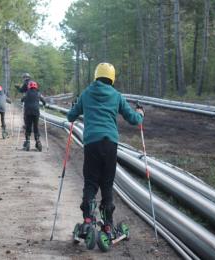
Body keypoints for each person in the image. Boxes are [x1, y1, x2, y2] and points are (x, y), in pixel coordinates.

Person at [67, 63, 144, 244]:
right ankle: (108, 225)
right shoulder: (116, 96)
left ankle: (87, 220)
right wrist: (140, 113)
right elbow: (133, 119)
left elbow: (71, 117)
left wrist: (74, 107)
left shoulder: (86, 93)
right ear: (112, 78)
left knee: (91, 182)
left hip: (91, 143)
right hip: (110, 144)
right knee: (107, 183)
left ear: (96, 76)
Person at [21, 81, 46, 152]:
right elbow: (44, 101)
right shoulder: (38, 94)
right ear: (36, 87)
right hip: (36, 112)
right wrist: (44, 103)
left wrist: (24, 100)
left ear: (29, 87)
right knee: (35, 126)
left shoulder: (26, 94)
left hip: (28, 112)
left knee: (28, 126)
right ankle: (38, 141)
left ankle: (28, 142)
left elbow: (22, 100)